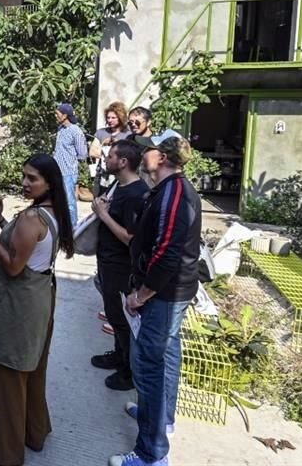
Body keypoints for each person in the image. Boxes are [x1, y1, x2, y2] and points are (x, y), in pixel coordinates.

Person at [0, 154, 75, 466]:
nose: (25, 183)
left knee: (7, 373)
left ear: (49, 183)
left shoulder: (32, 219)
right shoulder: (52, 212)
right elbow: (29, 251)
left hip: (20, 307)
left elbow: (15, 265)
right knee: (32, 370)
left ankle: (5, 450)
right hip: (40, 299)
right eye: (24, 176)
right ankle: (35, 432)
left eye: (33, 178)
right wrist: (5, 221)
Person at [109, 130, 201, 466]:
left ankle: (151, 453)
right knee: (163, 356)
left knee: (148, 365)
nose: (143, 154)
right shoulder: (167, 190)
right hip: (169, 291)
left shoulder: (174, 193)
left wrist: (141, 295)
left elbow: (167, 253)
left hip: (165, 294)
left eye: (148, 151)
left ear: (161, 158)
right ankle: (159, 419)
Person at [89, 141, 149, 392]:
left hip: (120, 265)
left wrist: (103, 214)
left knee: (121, 318)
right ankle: (118, 354)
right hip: (107, 259)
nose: (107, 158)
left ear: (123, 162)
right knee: (113, 313)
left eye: (112, 155)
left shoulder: (137, 193)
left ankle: (127, 371)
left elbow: (130, 238)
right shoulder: (119, 185)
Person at [51, 102, 88, 226]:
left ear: (65, 115)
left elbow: (83, 154)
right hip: (57, 171)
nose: (56, 116)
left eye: (58, 114)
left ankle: (72, 227)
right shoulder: (60, 129)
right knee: (57, 200)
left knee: (69, 202)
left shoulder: (76, 131)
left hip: (68, 172)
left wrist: (70, 161)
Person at [91, 101, 132, 196]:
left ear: (120, 118)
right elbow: (92, 152)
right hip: (102, 177)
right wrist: (103, 145)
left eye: (113, 118)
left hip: (120, 178)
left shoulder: (128, 135)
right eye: (108, 118)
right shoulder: (101, 133)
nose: (110, 120)